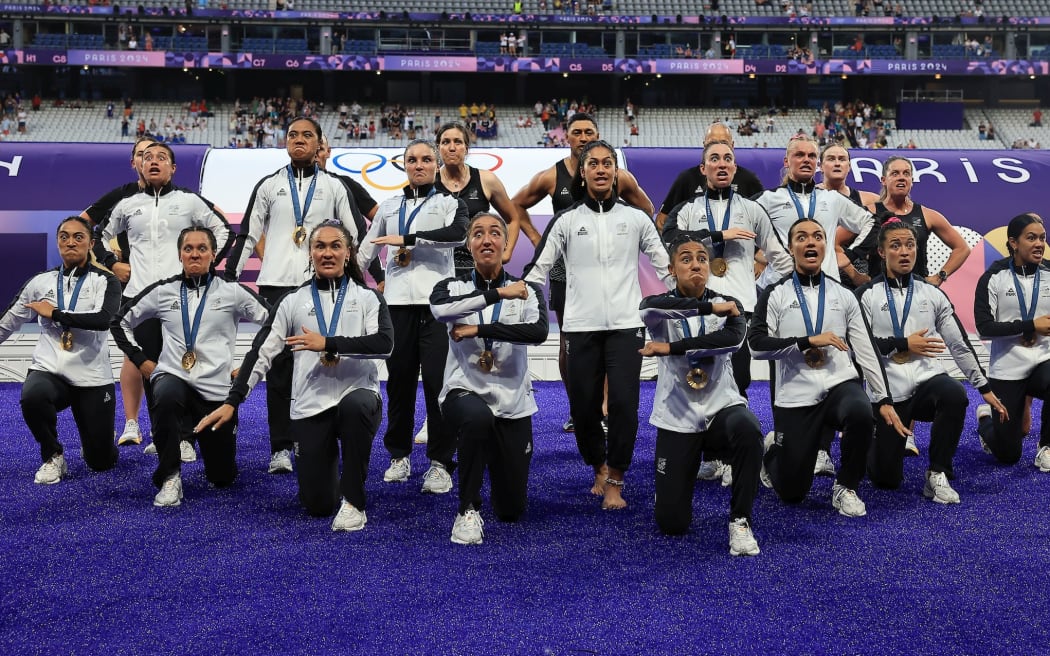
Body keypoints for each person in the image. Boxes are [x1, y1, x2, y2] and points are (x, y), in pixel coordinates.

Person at [197, 221, 392, 528]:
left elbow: (384, 344)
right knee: (318, 505)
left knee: (356, 408)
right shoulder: (291, 301)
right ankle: (329, 483)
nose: (327, 253)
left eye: (335, 246)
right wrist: (233, 401)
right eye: (320, 246)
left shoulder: (368, 298)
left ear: (348, 252)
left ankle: (354, 500)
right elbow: (261, 352)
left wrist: (328, 343)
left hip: (357, 394)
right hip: (309, 404)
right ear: (309, 253)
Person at [524, 140, 671, 510]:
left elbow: (665, 266)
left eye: (609, 163)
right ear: (584, 172)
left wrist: (692, 299)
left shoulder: (636, 219)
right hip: (580, 327)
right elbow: (538, 270)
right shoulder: (567, 221)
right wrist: (517, 295)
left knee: (623, 404)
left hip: (626, 326)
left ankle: (615, 479)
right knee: (583, 408)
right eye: (595, 164)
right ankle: (598, 467)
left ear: (617, 173)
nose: (602, 169)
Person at [224, 117, 368, 476]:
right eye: (293, 135)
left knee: (321, 362)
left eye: (307, 135)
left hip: (320, 287)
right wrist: (228, 277)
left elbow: (354, 235)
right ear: (284, 142)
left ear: (319, 143)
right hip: (275, 287)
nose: (299, 140)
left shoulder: (334, 186)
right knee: (279, 368)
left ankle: (319, 438)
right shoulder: (270, 185)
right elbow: (248, 232)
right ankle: (281, 447)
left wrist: (365, 280)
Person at [749, 218, 908, 517]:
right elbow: (757, 346)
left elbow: (865, 350)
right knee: (793, 493)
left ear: (825, 246)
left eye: (818, 237)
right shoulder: (775, 293)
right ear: (790, 247)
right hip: (796, 395)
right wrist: (808, 341)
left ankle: (846, 487)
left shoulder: (844, 295)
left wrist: (883, 399)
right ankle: (772, 452)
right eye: (802, 237)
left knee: (861, 411)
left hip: (838, 384)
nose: (811, 242)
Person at [512, 112, 653, 433]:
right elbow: (515, 204)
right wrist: (538, 239)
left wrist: (624, 236)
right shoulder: (552, 176)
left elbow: (646, 208)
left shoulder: (619, 176)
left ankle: (602, 409)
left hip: (609, 270)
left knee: (606, 336)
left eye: (590, 131)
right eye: (577, 132)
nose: (584, 136)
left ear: (598, 135)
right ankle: (579, 406)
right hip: (566, 270)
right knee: (569, 342)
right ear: (568, 137)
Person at [112, 227, 269, 507]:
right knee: (166, 392)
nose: (194, 253)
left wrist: (248, 363)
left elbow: (275, 324)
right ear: (180, 255)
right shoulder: (163, 291)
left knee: (221, 477)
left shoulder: (232, 291)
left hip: (215, 391)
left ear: (213, 255)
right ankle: (170, 476)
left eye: (201, 248)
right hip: (173, 376)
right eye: (188, 249)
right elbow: (119, 321)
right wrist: (141, 360)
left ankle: (217, 461)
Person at [661, 139, 787, 483]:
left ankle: (733, 458)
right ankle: (711, 455)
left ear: (734, 169)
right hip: (698, 312)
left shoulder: (753, 209)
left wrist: (780, 292)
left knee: (738, 384)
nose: (721, 164)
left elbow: (779, 256)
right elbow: (669, 237)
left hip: (739, 312)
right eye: (713, 159)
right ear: (703, 169)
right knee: (699, 383)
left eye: (727, 159)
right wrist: (718, 234)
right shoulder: (687, 208)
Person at [99, 141, 232, 463]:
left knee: (185, 365)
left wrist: (207, 264)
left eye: (161, 158)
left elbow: (223, 230)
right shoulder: (127, 205)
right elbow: (98, 235)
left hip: (181, 297)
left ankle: (186, 437)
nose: (153, 162)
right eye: (147, 158)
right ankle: (164, 435)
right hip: (140, 299)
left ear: (173, 168)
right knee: (151, 370)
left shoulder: (188, 201)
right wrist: (111, 262)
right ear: (139, 166)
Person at [858, 219, 1005, 503]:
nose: (904, 252)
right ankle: (872, 443)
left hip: (927, 380)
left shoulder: (932, 293)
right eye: (896, 246)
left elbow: (959, 344)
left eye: (910, 245)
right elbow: (859, 347)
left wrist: (983, 386)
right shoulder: (865, 295)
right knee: (885, 480)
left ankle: (938, 472)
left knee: (954, 395)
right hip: (888, 392)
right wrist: (902, 344)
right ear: (881, 252)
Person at [639, 233, 763, 556]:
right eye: (686, 258)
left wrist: (670, 348)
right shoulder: (659, 308)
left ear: (710, 267)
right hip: (678, 417)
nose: (696, 264)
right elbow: (649, 307)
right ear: (671, 268)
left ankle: (740, 521)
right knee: (672, 524)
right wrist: (707, 307)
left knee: (749, 428)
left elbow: (730, 342)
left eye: (702, 259)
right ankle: (669, 490)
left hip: (721, 408)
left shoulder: (729, 306)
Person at [357, 139, 469, 494]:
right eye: (411, 160)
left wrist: (408, 238)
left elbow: (457, 236)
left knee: (438, 384)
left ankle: (439, 462)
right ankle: (399, 456)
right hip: (398, 308)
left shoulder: (452, 203)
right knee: (400, 385)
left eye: (425, 160)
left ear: (436, 165)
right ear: (403, 165)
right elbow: (364, 252)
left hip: (438, 307)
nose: (418, 165)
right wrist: (354, 286)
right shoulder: (389, 206)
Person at [430, 212, 549, 544]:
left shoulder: (528, 289)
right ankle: (467, 509)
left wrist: (479, 328)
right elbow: (441, 312)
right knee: (476, 418)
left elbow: (537, 332)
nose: (487, 240)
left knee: (511, 510)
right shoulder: (449, 286)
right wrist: (499, 295)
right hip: (463, 391)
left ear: (505, 244)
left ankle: (496, 479)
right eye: (478, 234)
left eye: (495, 233)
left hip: (513, 403)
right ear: (469, 244)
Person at [2, 217, 121, 485]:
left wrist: (56, 313)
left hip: (92, 377)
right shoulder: (40, 282)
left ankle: (101, 440)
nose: (71, 242)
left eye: (78, 237)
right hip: (50, 370)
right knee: (33, 396)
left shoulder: (106, 281)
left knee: (100, 462)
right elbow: (8, 321)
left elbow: (104, 320)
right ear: (58, 243)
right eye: (64, 236)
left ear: (91, 243)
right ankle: (53, 455)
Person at [81, 136, 155, 450]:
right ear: (133, 162)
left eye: (152, 154)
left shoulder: (177, 197)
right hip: (131, 285)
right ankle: (132, 423)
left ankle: (175, 431)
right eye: (140, 154)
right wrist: (109, 262)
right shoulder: (121, 196)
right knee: (133, 352)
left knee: (172, 352)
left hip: (168, 284)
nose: (146, 159)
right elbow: (83, 222)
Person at [974, 213, 1050, 473]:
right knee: (1008, 454)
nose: (1039, 243)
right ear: (1013, 243)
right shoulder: (994, 276)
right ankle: (985, 421)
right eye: (1031, 238)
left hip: (1043, 360)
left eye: (1042, 238)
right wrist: (1031, 325)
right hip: (1007, 369)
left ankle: (1047, 447)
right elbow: (984, 327)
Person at [655, 123, 764, 232]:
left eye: (724, 142)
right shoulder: (687, 178)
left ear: (732, 146)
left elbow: (764, 223)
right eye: (712, 143)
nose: (718, 147)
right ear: (704, 146)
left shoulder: (748, 180)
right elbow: (662, 221)